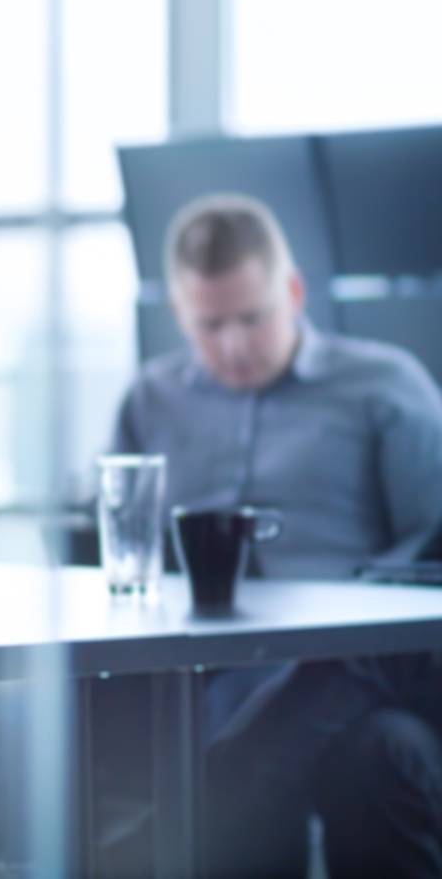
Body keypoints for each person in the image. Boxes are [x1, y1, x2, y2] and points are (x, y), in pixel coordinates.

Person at [110, 193, 442, 876]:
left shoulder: (385, 386)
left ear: (291, 291)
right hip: (202, 661)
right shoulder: (149, 398)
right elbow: (114, 537)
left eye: (252, 318)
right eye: (210, 324)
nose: (233, 345)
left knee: (331, 749)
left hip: (357, 659)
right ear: (178, 312)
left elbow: (432, 554)